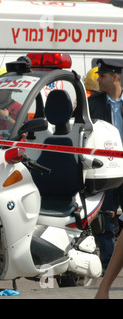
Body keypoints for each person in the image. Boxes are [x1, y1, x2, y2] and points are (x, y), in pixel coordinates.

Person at [88, 58, 123, 271]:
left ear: (115, 77)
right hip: (107, 169)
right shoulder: (93, 104)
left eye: (102, 76)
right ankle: (108, 264)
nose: (98, 79)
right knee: (106, 218)